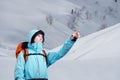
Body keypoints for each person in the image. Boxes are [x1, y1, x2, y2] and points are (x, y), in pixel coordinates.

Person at [14, 29, 80, 80]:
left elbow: (60, 53)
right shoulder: (24, 53)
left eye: (42, 36)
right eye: (38, 36)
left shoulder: (44, 54)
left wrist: (72, 40)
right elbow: (19, 71)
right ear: (32, 37)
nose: (41, 37)